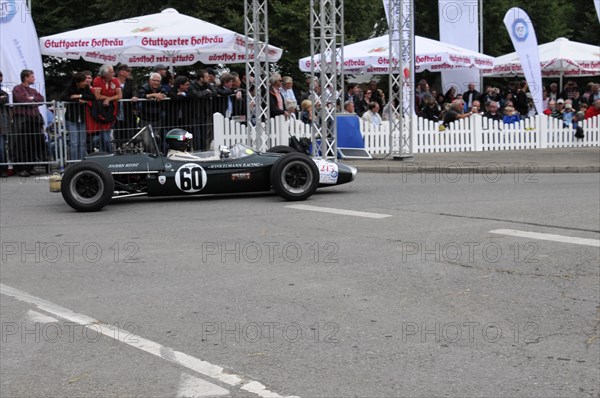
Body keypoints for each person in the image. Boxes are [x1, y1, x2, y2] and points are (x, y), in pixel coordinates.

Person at [11, 69, 46, 177]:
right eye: (32, 76)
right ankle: (21, 168)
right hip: (22, 119)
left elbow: (41, 98)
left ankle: (30, 167)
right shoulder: (17, 88)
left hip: (34, 120)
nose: (34, 78)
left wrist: (32, 99)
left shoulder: (32, 90)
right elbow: (21, 99)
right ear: (26, 77)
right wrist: (32, 101)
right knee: (22, 144)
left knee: (33, 143)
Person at [60, 72, 96, 161]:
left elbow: (92, 97)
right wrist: (77, 100)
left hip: (82, 118)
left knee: (82, 142)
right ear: (77, 82)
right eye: (83, 81)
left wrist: (80, 96)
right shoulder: (70, 88)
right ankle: (74, 162)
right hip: (71, 118)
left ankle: (82, 161)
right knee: (74, 142)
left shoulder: (86, 88)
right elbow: (63, 98)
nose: (86, 83)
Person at [88, 64, 121, 153]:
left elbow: (120, 95)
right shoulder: (97, 80)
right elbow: (97, 95)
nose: (114, 73)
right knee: (104, 136)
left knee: (106, 135)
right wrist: (108, 98)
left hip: (112, 111)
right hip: (101, 111)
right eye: (111, 72)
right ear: (105, 74)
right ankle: (108, 154)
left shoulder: (115, 80)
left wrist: (108, 99)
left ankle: (107, 154)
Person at [0, 71, 10, 177]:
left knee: (1, 149)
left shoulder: (4, 92)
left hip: (1, 126)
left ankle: (3, 169)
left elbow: (4, 99)